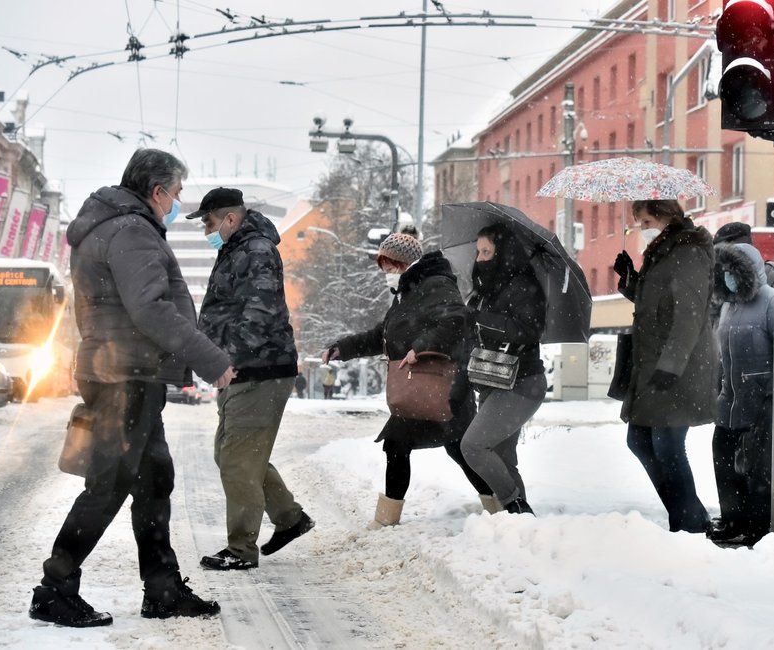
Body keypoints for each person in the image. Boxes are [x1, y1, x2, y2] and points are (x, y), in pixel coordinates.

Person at [29, 149, 235, 628]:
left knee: (154, 477)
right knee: (111, 483)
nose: (178, 205)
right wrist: (211, 360)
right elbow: (150, 309)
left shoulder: (112, 225)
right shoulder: (132, 230)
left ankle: (162, 587)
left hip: (125, 370)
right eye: (177, 194)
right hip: (125, 374)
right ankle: (54, 588)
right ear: (157, 190)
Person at [322, 233, 496, 527]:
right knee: (397, 443)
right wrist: (343, 348)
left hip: (444, 387)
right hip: (419, 389)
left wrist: (421, 346)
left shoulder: (436, 284)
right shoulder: (406, 294)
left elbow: (457, 320)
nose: (386, 274)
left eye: (389, 266)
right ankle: (386, 519)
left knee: (460, 450)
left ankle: (499, 508)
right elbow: (382, 335)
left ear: (403, 262)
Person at [190, 187, 314, 570]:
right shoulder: (237, 248)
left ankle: (242, 549)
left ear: (229, 218)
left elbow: (259, 313)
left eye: (209, 222)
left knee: (238, 460)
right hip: (245, 369)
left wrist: (226, 359)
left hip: (257, 370)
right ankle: (289, 518)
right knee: (232, 454)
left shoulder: (255, 250)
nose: (206, 230)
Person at [612, 200, 715, 533]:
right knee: (640, 441)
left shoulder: (689, 253)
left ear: (666, 217)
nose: (641, 229)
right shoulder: (661, 253)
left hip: (680, 366)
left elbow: (688, 314)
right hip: (654, 364)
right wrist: (631, 280)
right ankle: (691, 516)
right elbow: (657, 305)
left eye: (644, 221)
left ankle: (688, 527)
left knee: (667, 445)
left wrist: (671, 366)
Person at [460, 223, 548, 516]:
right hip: (492, 379)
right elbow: (478, 328)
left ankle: (514, 504)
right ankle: (523, 522)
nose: (481, 258)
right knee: (503, 457)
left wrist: (480, 319)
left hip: (522, 383)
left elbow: (527, 331)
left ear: (503, 251)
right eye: (478, 252)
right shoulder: (485, 289)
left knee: (473, 446)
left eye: (487, 251)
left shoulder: (525, 285)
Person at [708, 242, 774, 545]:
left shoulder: (771, 302)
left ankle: (758, 525)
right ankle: (733, 520)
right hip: (729, 400)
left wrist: (771, 396)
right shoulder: (727, 306)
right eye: (722, 272)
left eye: (732, 271)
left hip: (759, 402)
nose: (727, 277)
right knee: (724, 461)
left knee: (756, 469)